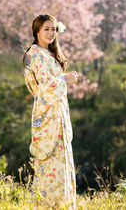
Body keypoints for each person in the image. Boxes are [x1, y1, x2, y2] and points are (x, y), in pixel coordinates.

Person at [22, 14, 79, 209]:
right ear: (37, 32)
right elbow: (45, 84)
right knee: (50, 163)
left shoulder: (49, 54)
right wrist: (65, 78)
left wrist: (63, 77)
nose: (51, 33)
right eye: (46, 29)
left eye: (53, 29)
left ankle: (61, 205)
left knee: (60, 161)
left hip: (58, 113)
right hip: (48, 116)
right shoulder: (36, 54)